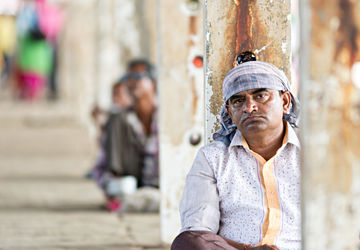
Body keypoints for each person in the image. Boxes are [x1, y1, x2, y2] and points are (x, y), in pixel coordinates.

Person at [171, 60, 301, 250]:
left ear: (285, 102)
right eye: (238, 101)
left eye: (261, 96)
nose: (249, 108)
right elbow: (199, 231)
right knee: (187, 241)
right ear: (229, 112)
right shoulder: (213, 158)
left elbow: (349, 223)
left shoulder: (316, 154)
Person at [93, 73, 158, 211]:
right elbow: (103, 164)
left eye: (143, 92)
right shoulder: (121, 119)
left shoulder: (165, 116)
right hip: (130, 185)